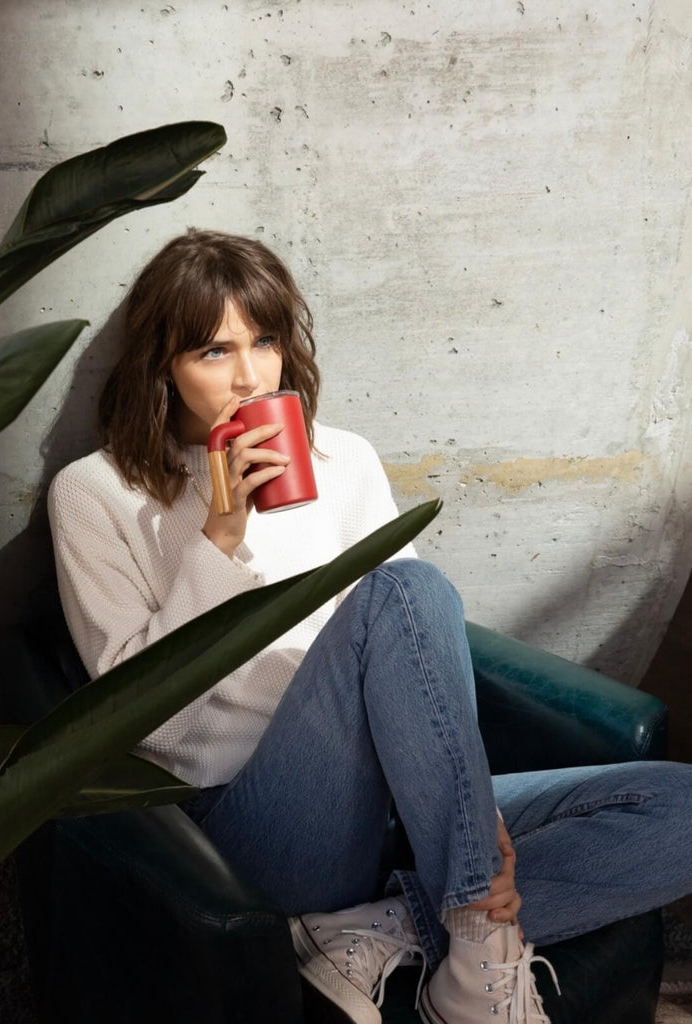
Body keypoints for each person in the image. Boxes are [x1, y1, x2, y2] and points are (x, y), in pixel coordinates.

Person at [48, 229, 692, 1024]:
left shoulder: (342, 460)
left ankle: (380, 927)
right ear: (164, 368)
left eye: (266, 341)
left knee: (681, 805)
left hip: (403, 802)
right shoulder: (97, 493)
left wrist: (469, 817)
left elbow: (417, 663)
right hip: (254, 821)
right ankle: (472, 956)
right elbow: (146, 727)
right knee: (402, 590)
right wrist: (218, 538)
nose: (250, 376)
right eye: (214, 351)